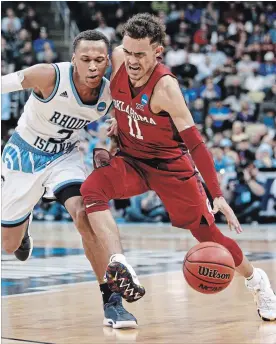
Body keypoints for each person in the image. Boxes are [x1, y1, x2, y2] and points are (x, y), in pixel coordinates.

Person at [81, 14, 276, 322]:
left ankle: (257, 281)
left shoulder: (166, 88)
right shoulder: (117, 58)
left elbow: (196, 144)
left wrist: (217, 194)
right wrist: (109, 139)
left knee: (206, 236)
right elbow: (111, 105)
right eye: (128, 51)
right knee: (91, 188)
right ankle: (119, 263)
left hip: (171, 168)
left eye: (140, 54)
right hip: (132, 160)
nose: (131, 60)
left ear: (157, 51)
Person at [1, 30, 137, 329]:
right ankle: (25, 223)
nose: (92, 67)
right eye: (85, 59)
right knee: (9, 246)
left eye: (99, 60)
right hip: (23, 157)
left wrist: (117, 126)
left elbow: (125, 115)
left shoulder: (110, 92)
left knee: (84, 214)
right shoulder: (48, 75)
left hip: (65, 157)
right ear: (73, 59)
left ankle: (112, 302)